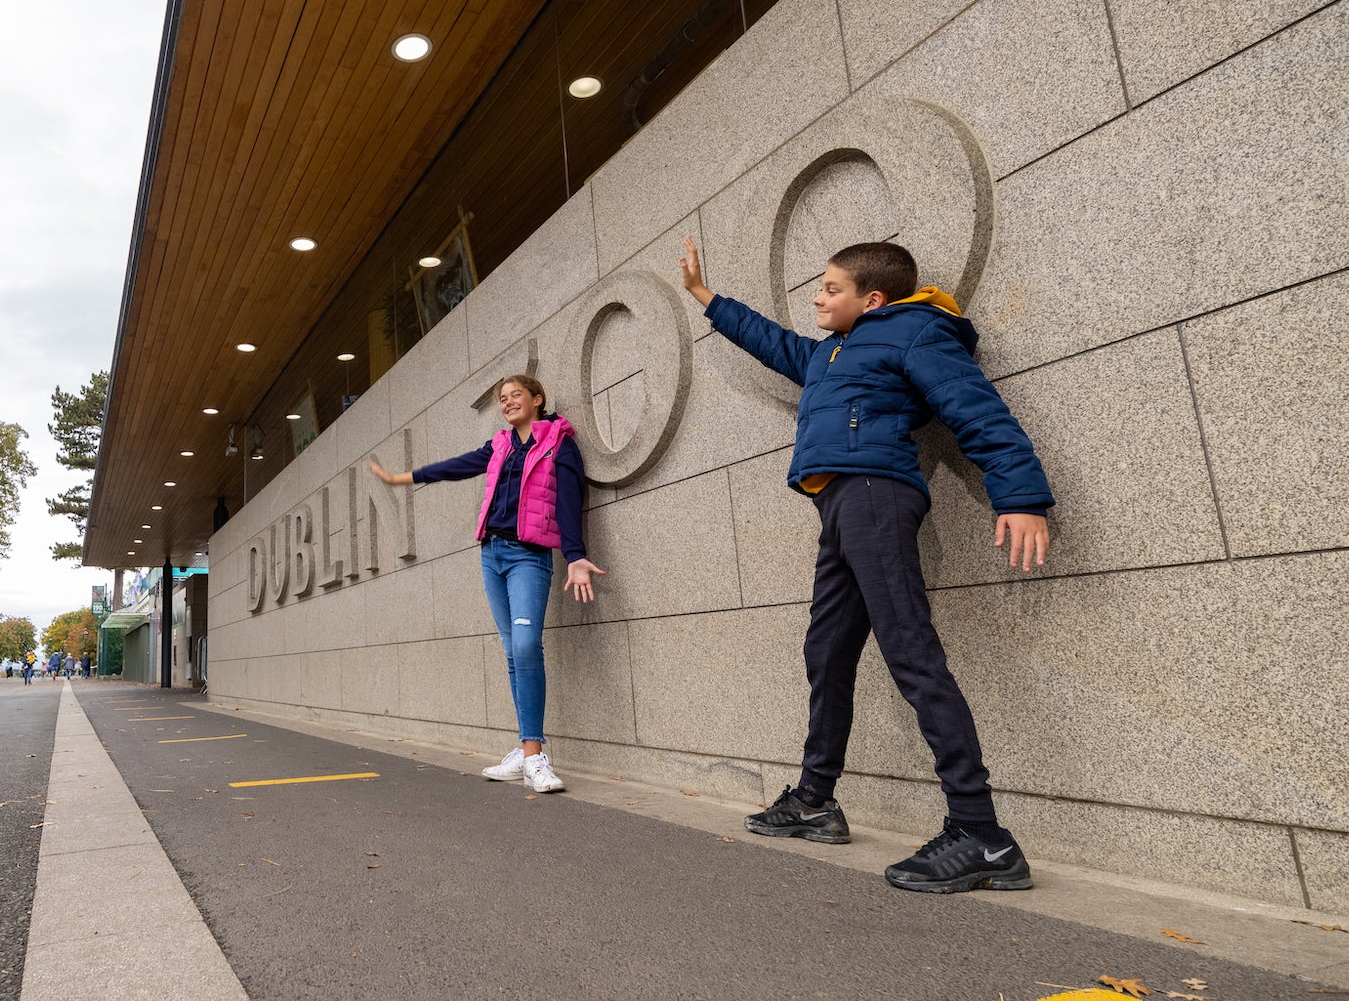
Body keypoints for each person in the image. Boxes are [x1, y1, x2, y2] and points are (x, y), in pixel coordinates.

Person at [680, 235, 1054, 892]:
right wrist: (706, 297)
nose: (817, 298)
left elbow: (976, 408)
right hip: (841, 504)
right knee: (827, 653)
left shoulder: (913, 332)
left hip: (877, 495)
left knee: (910, 651)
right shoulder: (829, 352)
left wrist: (1019, 495)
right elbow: (772, 343)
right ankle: (816, 801)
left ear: (871, 298)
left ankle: (982, 834)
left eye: (830, 288)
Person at [367, 374, 605, 794]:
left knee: (527, 646)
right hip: (491, 555)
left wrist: (575, 556)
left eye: (516, 396)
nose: (508, 402)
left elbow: (570, 499)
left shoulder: (558, 443)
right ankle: (524, 750)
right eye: (502, 398)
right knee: (513, 651)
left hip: (528, 555)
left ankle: (534, 757)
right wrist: (400, 479)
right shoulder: (499, 446)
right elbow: (455, 467)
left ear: (537, 399)